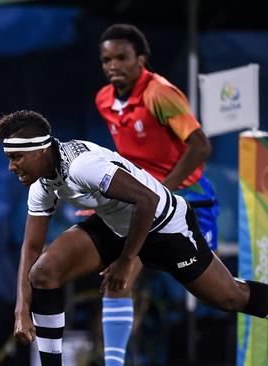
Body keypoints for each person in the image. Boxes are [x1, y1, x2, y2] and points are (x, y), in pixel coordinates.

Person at [0, 110, 268, 366]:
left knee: (230, 298)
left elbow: (146, 200)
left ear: (40, 150)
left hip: (166, 227)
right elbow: (30, 248)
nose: (11, 167)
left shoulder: (82, 167)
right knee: (43, 272)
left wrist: (126, 260)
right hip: (118, 225)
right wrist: (21, 310)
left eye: (16, 157)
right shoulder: (43, 184)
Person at [92, 23, 220, 365]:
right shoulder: (104, 99)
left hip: (188, 198)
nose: (113, 66)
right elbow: (128, 158)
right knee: (120, 273)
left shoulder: (159, 94)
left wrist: (162, 192)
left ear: (141, 59)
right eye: (107, 60)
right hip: (142, 202)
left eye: (122, 57)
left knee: (220, 293)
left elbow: (200, 146)